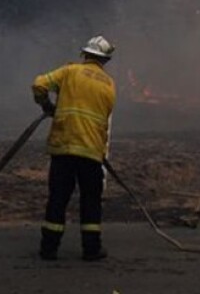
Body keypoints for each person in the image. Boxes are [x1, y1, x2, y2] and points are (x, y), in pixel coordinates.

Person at [32, 35, 117, 261]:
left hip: (64, 148)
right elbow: (104, 120)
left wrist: (48, 105)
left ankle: (49, 248)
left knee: (58, 198)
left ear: (85, 55)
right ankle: (91, 249)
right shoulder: (109, 84)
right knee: (91, 201)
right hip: (91, 152)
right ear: (105, 61)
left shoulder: (69, 72)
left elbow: (39, 84)